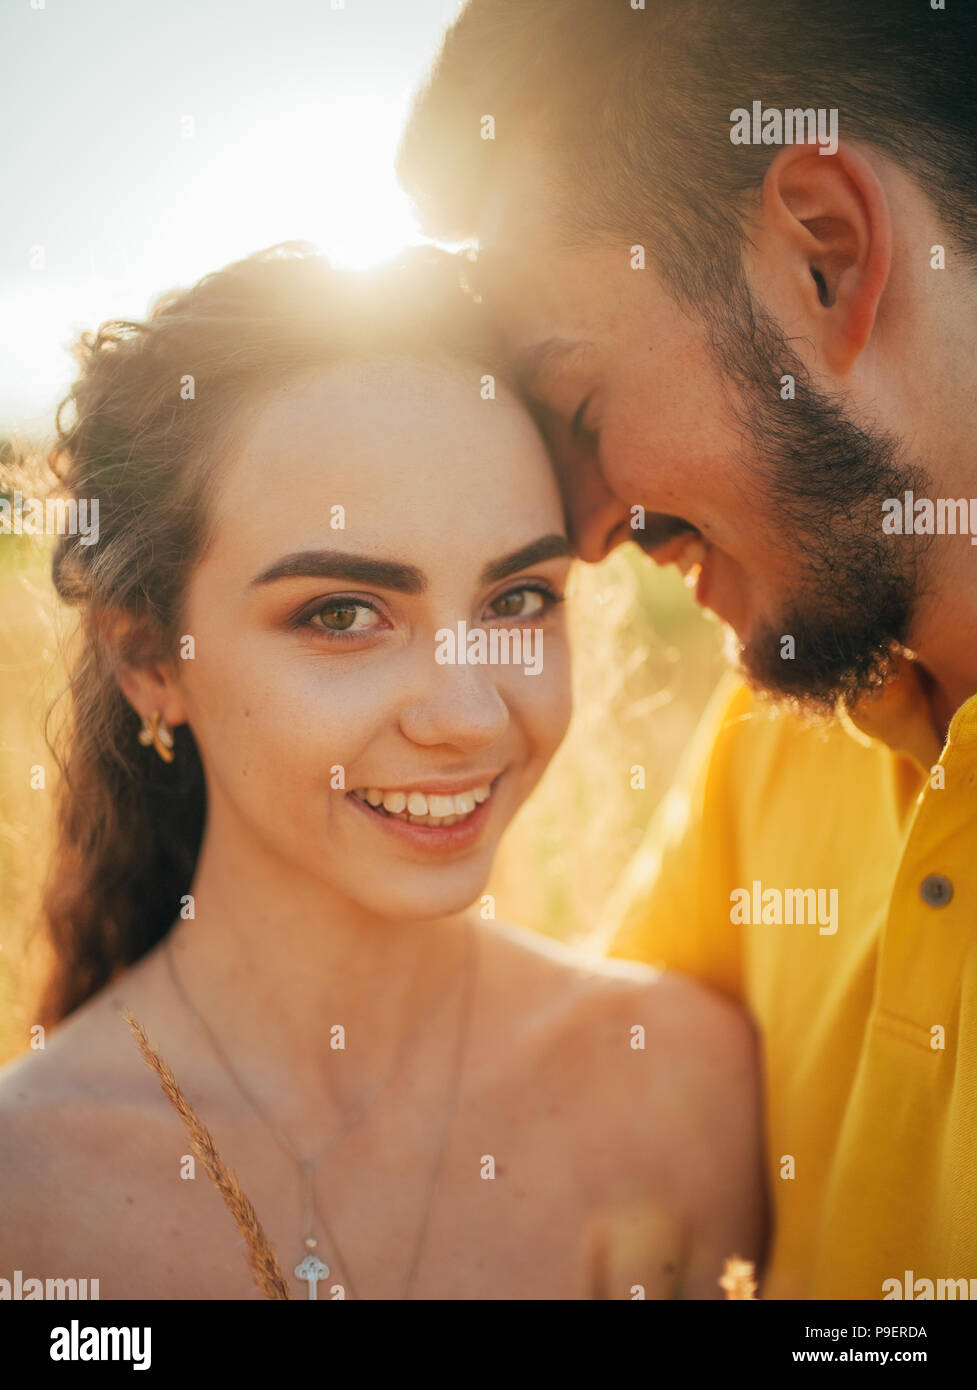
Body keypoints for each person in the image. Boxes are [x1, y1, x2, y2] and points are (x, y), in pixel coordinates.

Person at [0, 243, 764, 1300]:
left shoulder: (682, 1088)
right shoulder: (28, 1196)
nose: (463, 715)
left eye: (516, 600)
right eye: (343, 614)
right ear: (148, 659)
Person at [396, 0, 977, 1299]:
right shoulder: (778, 730)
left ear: (823, 251)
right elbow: (577, 1119)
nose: (589, 532)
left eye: (583, 406)